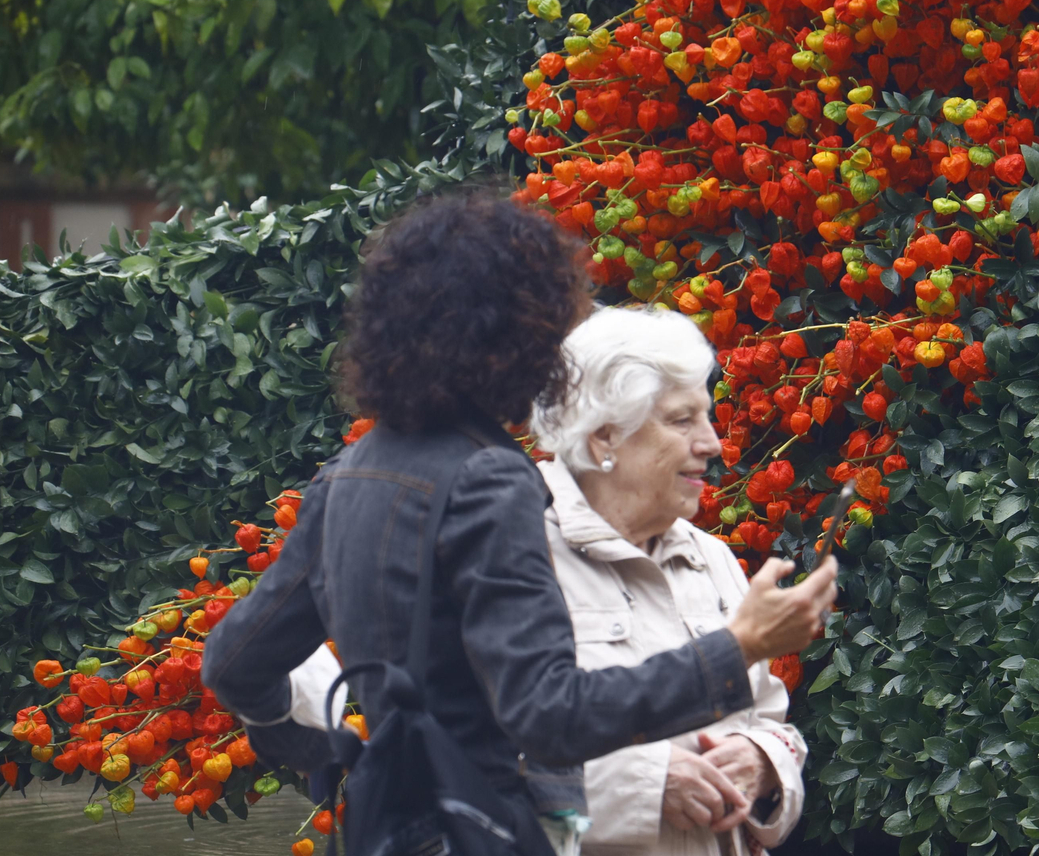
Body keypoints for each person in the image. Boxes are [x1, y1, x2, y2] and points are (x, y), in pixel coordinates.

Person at [201, 187, 837, 853]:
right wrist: (736, 651)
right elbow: (549, 716)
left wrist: (337, 752)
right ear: (519, 331)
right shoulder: (489, 478)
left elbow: (234, 663)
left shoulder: (349, 473)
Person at [531, 307, 809, 856]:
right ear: (604, 436)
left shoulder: (713, 559)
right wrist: (646, 784)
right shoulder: (513, 554)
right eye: (683, 421)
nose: (713, 444)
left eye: (706, 418)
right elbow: (470, 758)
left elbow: (775, 724)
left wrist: (763, 763)